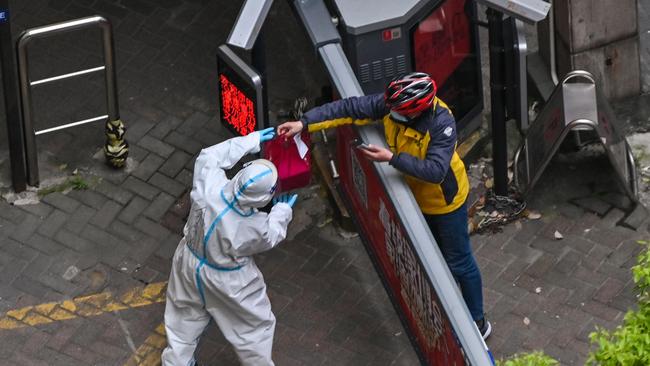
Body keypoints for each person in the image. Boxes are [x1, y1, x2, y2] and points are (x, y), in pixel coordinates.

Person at [278, 72, 491, 340]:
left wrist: (391, 158)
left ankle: (477, 321)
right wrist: (304, 123)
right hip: (415, 200)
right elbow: (349, 109)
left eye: (398, 111)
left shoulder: (441, 123)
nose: (390, 113)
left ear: (416, 110)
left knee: (459, 262)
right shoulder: (393, 104)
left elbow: (436, 171)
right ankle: (447, 310)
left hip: (445, 204)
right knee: (434, 259)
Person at [162, 127, 297, 366]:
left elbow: (209, 156)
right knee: (254, 328)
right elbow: (272, 234)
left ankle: (176, 363)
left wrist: (251, 140)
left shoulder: (209, 185)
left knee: (182, 316)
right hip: (229, 280)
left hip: (188, 260)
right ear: (262, 198)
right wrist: (282, 211)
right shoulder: (253, 225)